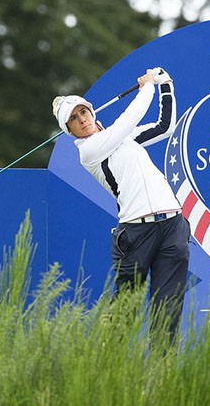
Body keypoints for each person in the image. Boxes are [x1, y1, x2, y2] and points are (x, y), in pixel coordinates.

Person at [52, 68, 190, 343]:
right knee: (124, 311)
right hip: (136, 233)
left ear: (92, 112)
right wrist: (147, 86)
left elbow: (165, 126)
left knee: (168, 309)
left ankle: (161, 376)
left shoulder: (123, 138)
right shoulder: (89, 151)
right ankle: (104, 365)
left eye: (83, 112)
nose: (81, 120)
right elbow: (128, 120)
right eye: (73, 119)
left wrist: (165, 85)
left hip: (173, 225)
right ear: (69, 131)